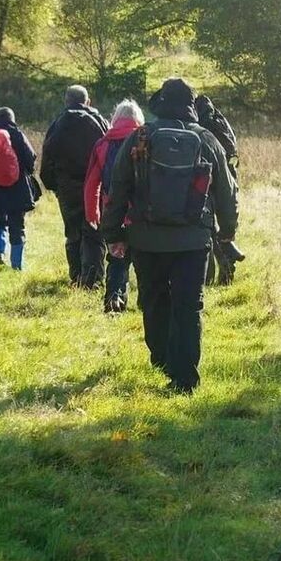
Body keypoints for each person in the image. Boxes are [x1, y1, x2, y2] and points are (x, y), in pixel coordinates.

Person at [101, 78, 238, 395]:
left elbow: (118, 187)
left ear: (160, 103)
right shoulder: (206, 139)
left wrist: (113, 234)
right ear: (191, 106)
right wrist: (227, 232)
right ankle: (185, 379)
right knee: (189, 307)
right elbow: (227, 192)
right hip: (193, 241)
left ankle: (161, 360)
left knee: (153, 299)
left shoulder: (140, 136)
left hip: (146, 239)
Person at [40, 85, 109, 287]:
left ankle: (77, 276)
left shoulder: (58, 124)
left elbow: (48, 157)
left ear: (66, 101)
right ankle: (93, 279)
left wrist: (54, 185)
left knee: (73, 231)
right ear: (87, 101)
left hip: (67, 186)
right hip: (95, 185)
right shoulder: (100, 122)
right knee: (94, 230)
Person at [84, 99, 144, 313]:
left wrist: (93, 213)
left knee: (117, 258)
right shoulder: (144, 141)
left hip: (113, 212)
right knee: (143, 260)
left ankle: (114, 298)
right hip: (141, 213)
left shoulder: (103, 144)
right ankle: (146, 300)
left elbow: (92, 182)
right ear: (138, 119)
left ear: (115, 119)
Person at [0, 106, 39, 270]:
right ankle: (17, 264)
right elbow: (30, 158)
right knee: (17, 224)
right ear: (12, 119)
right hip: (16, 187)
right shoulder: (17, 134)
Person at [195, 93, 244, 286]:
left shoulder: (202, 126)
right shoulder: (220, 121)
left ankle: (207, 278)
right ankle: (227, 265)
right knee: (219, 229)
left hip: (208, 179)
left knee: (208, 229)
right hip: (227, 176)